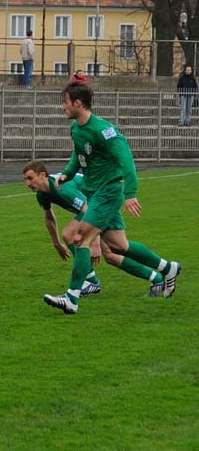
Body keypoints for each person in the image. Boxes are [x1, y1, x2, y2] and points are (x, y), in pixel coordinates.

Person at [43, 83, 181, 314]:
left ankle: (72, 298)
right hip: (93, 191)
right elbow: (79, 155)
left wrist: (130, 194)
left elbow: (126, 159)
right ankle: (167, 268)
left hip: (108, 191)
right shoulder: (77, 129)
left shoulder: (104, 131)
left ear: (78, 103)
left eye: (65, 102)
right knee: (120, 246)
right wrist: (67, 173)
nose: (62, 107)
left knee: (80, 238)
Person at [23, 160, 167, 296]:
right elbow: (49, 217)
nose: (27, 183)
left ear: (42, 175)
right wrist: (56, 244)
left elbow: (88, 209)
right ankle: (157, 278)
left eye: (30, 178)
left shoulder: (62, 188)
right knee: (112, 255)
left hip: (103, 202)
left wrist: (95, 242)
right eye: (25, 180)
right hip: (97, 205)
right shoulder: (42, 194)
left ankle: (91, 281)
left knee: (69, 234)